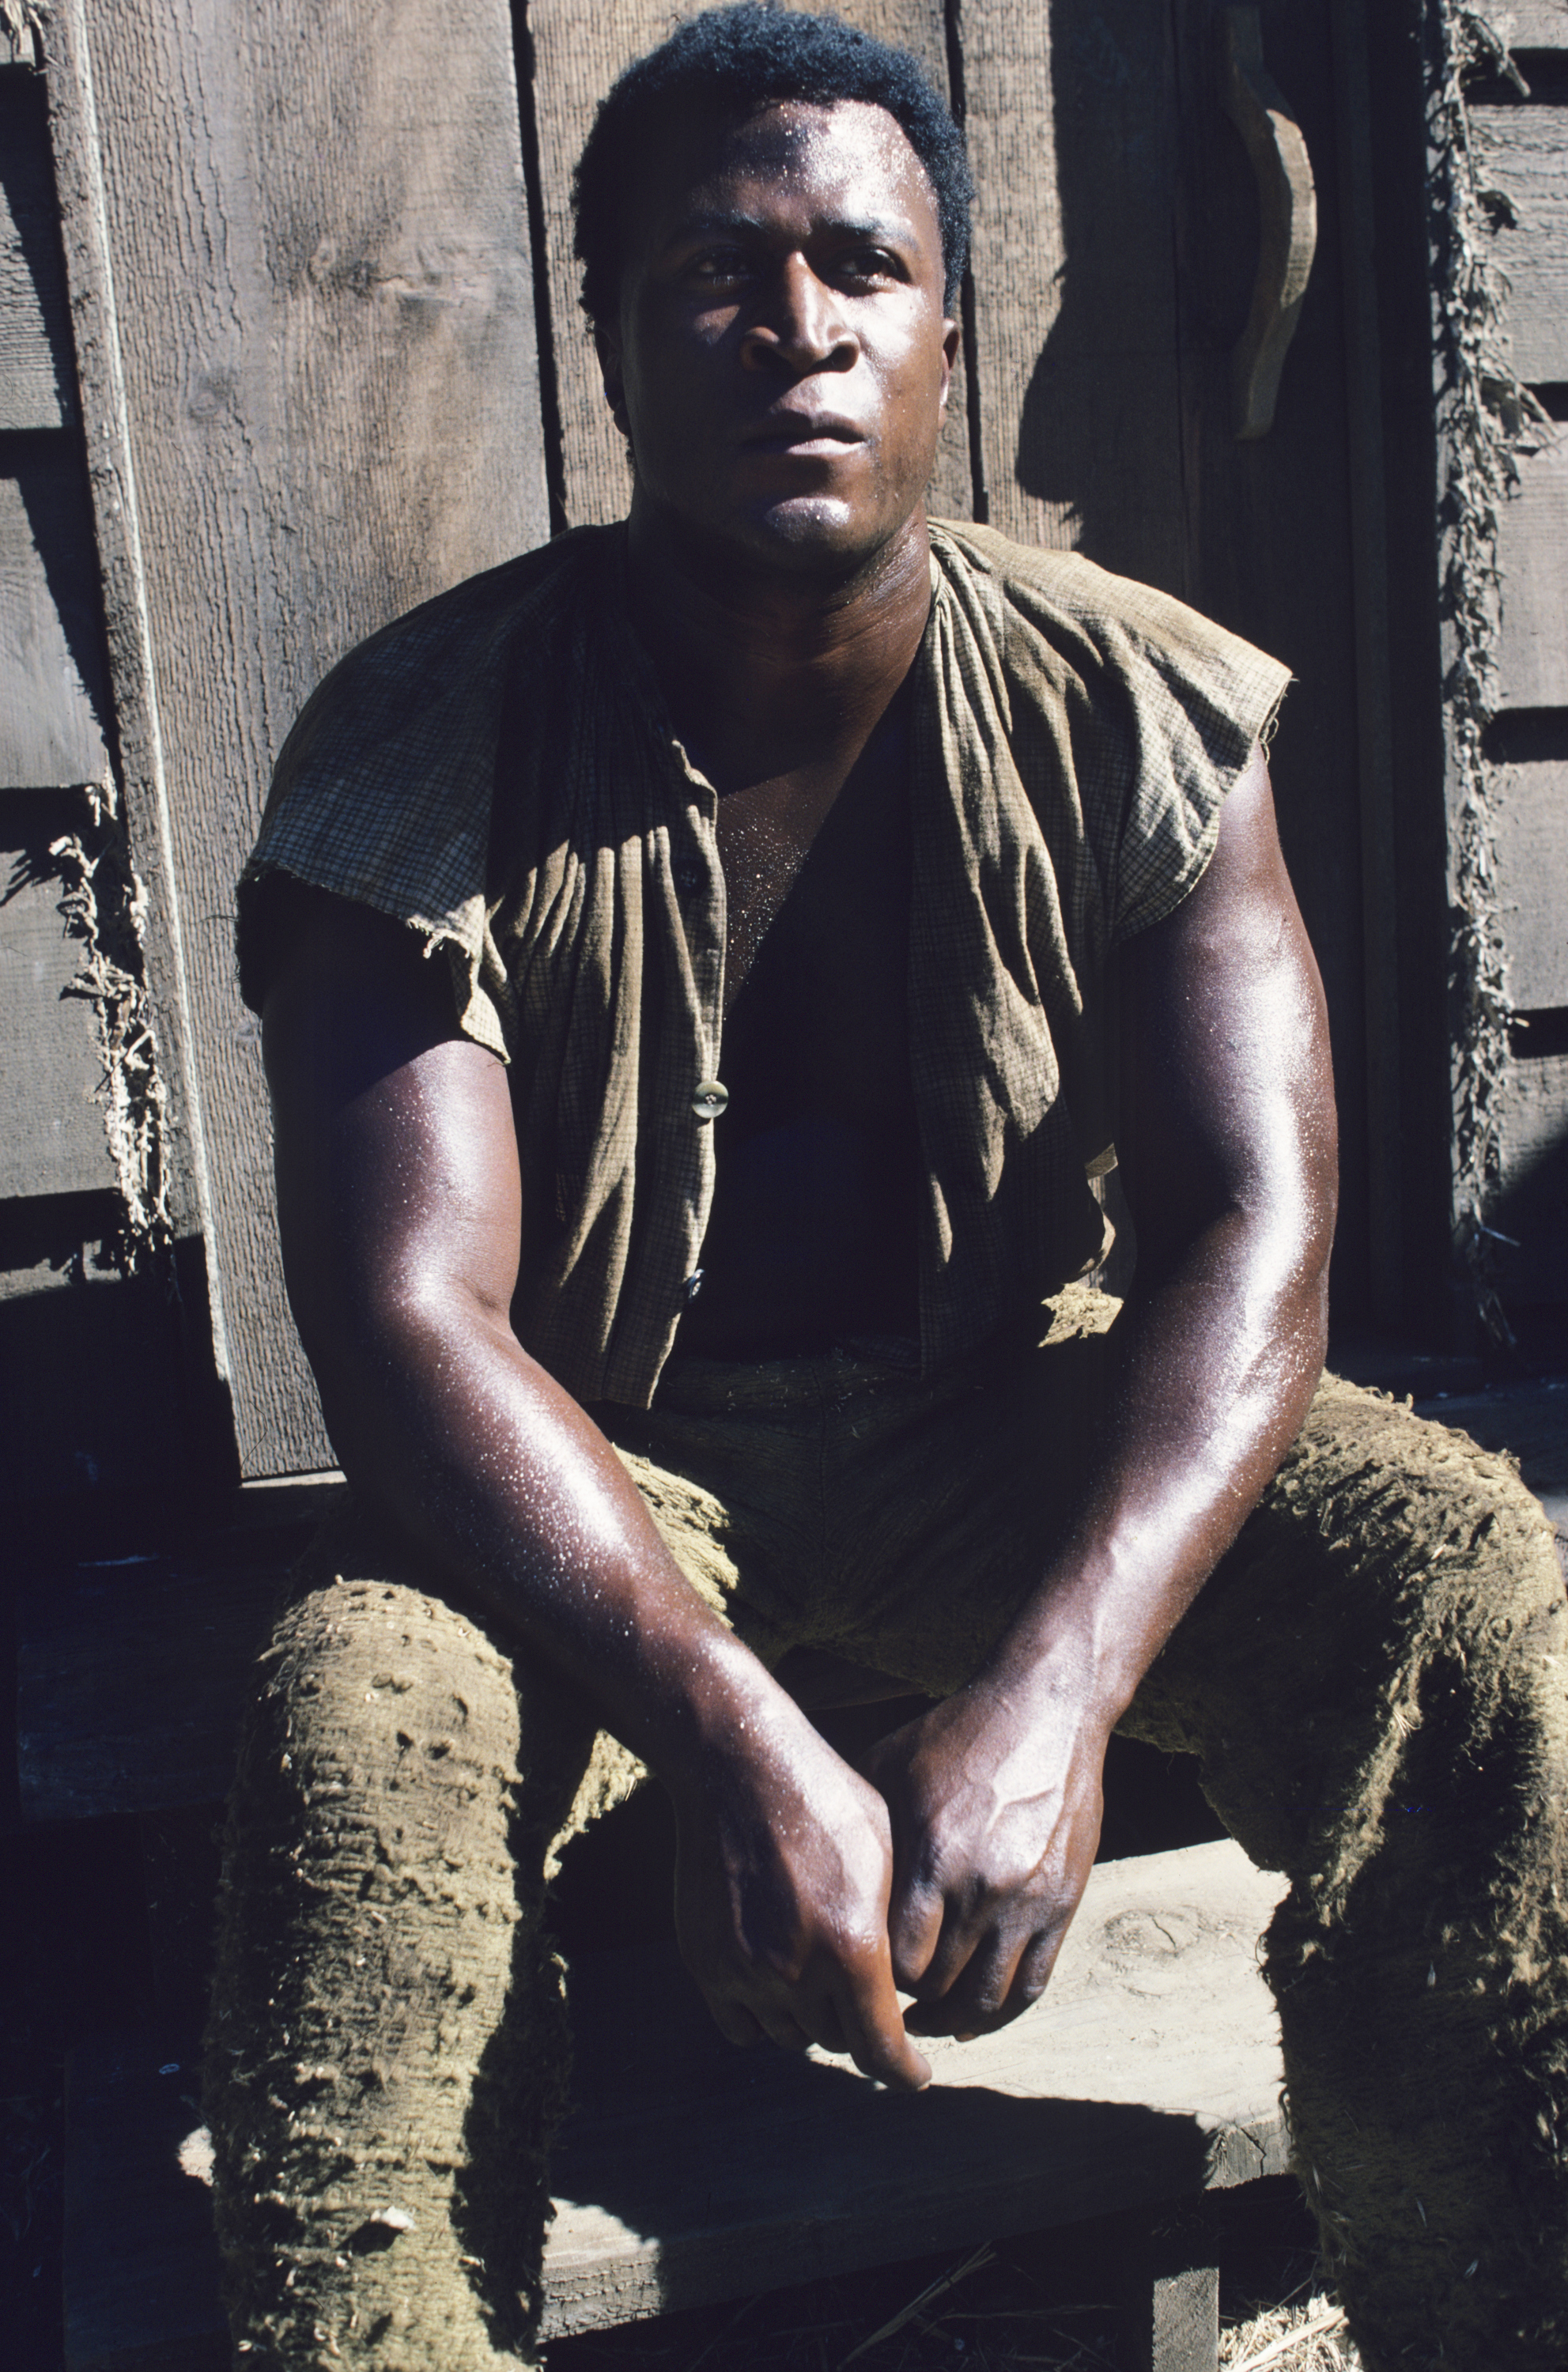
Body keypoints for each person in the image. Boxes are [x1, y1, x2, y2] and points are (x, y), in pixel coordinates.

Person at [202, 10, 1568, 2368]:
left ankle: (1482, 2285)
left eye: (864, 266)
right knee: (362, 1724)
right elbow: (413, 1323)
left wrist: (1055, 1698)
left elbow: (1259, 1234)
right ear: (616, 338)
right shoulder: (423, 751)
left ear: (948, 327)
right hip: (604, 1477)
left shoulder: (1144, 712)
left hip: (986, 1431)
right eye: (721, 274)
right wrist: (740, 1730)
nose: (800, 326)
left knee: (1459, 1574)